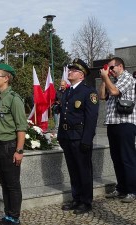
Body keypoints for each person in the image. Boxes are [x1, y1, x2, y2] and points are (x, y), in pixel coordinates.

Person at [57, 58, 99, 214]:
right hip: (67, 136)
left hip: (80, 137)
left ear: (81, 75)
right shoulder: (67, 91)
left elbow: (91, 118)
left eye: (73, 70)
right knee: (73, 170)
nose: (70, 72)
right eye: (70, 69)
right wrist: (61, 136)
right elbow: (64, 114)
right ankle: (76, 198)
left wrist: (87, 139)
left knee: (83, 170)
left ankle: (86, 201)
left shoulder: (89, 92)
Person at [0, 63, 27, 225]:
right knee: (4, 183)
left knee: (12, 184)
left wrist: (19, 150)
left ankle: (14, 217)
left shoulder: (14, 99)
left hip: (9, 147)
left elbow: (21, 128)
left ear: (6, 78)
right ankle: (8, 215)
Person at [99, 57, 136, 203]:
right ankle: (122, 188)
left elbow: (114, 92)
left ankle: (132, 190)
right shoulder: (112, 81)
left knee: (127, 158)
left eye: (112, 67)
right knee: (117, 158)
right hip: (113, 123)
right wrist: (104, 79)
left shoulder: (128, 78)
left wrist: (106, 79)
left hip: (125, 123)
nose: (110, 70)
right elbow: (102, 96)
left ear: (120, 66)